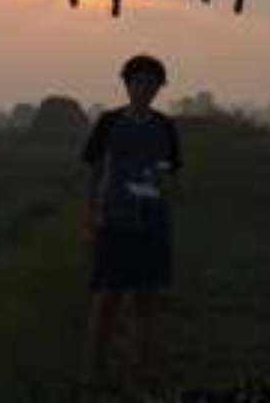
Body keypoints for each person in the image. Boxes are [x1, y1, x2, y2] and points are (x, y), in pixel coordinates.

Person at [81, 54, 182, 397]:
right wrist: (91, 216)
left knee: (146, 304)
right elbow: (94, 171)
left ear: (159, 88)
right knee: (106, 301)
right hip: (113, 222)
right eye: (138, 82)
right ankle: (94, 375)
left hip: (152, 225)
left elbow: (173, 173)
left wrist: (161, 181)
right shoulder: (109, 123)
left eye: (152, 83)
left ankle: (141, 376)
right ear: (127, 85)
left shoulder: (165, 127)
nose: (145, 89)